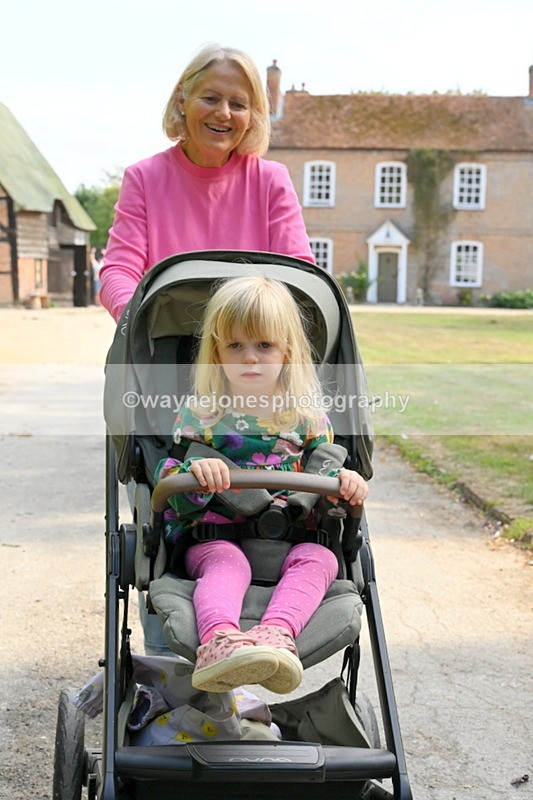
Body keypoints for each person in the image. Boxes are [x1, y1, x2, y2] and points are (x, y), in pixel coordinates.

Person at [154, 277, 369, 694]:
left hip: (290, 539)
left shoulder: (308, 418)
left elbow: (324, 483)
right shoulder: (203, 414)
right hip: (218, 538)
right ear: (217, 353)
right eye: (235, 346)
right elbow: (169, 482)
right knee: (227, 564)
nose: (249, 358)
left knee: (320, 559)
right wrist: (199, 475)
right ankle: (221, 641)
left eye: (263, 346)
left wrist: (346, 485)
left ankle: (275, 635)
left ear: (287, 350)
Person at [99, 43, 315, 323]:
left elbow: (298, 274)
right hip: (166, 342)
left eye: (238, 104)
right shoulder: (143, 178)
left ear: (251, 117)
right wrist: (134, 319)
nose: (224, 113)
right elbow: (119, 270)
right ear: (182, 102)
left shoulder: (272, 181)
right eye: (211, 99)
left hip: (248, 348)